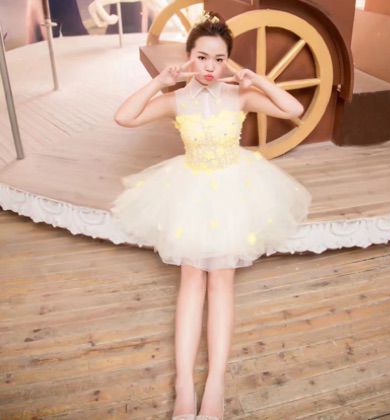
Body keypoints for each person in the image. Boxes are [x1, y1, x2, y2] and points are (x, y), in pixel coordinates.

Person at [110, 10, 312, 420]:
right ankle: (183, 386)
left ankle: (215, 385)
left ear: (227, 62)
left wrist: (258, 81)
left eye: (219, 59)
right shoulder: (176, 100)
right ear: (189, 57)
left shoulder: (239, 95)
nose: (209, 67)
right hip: (192, 188)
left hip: (233, 188)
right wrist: (158, 82)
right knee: (191, 277)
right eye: (201, 57)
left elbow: (293, 109)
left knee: (221, 279)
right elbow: (124, 117)